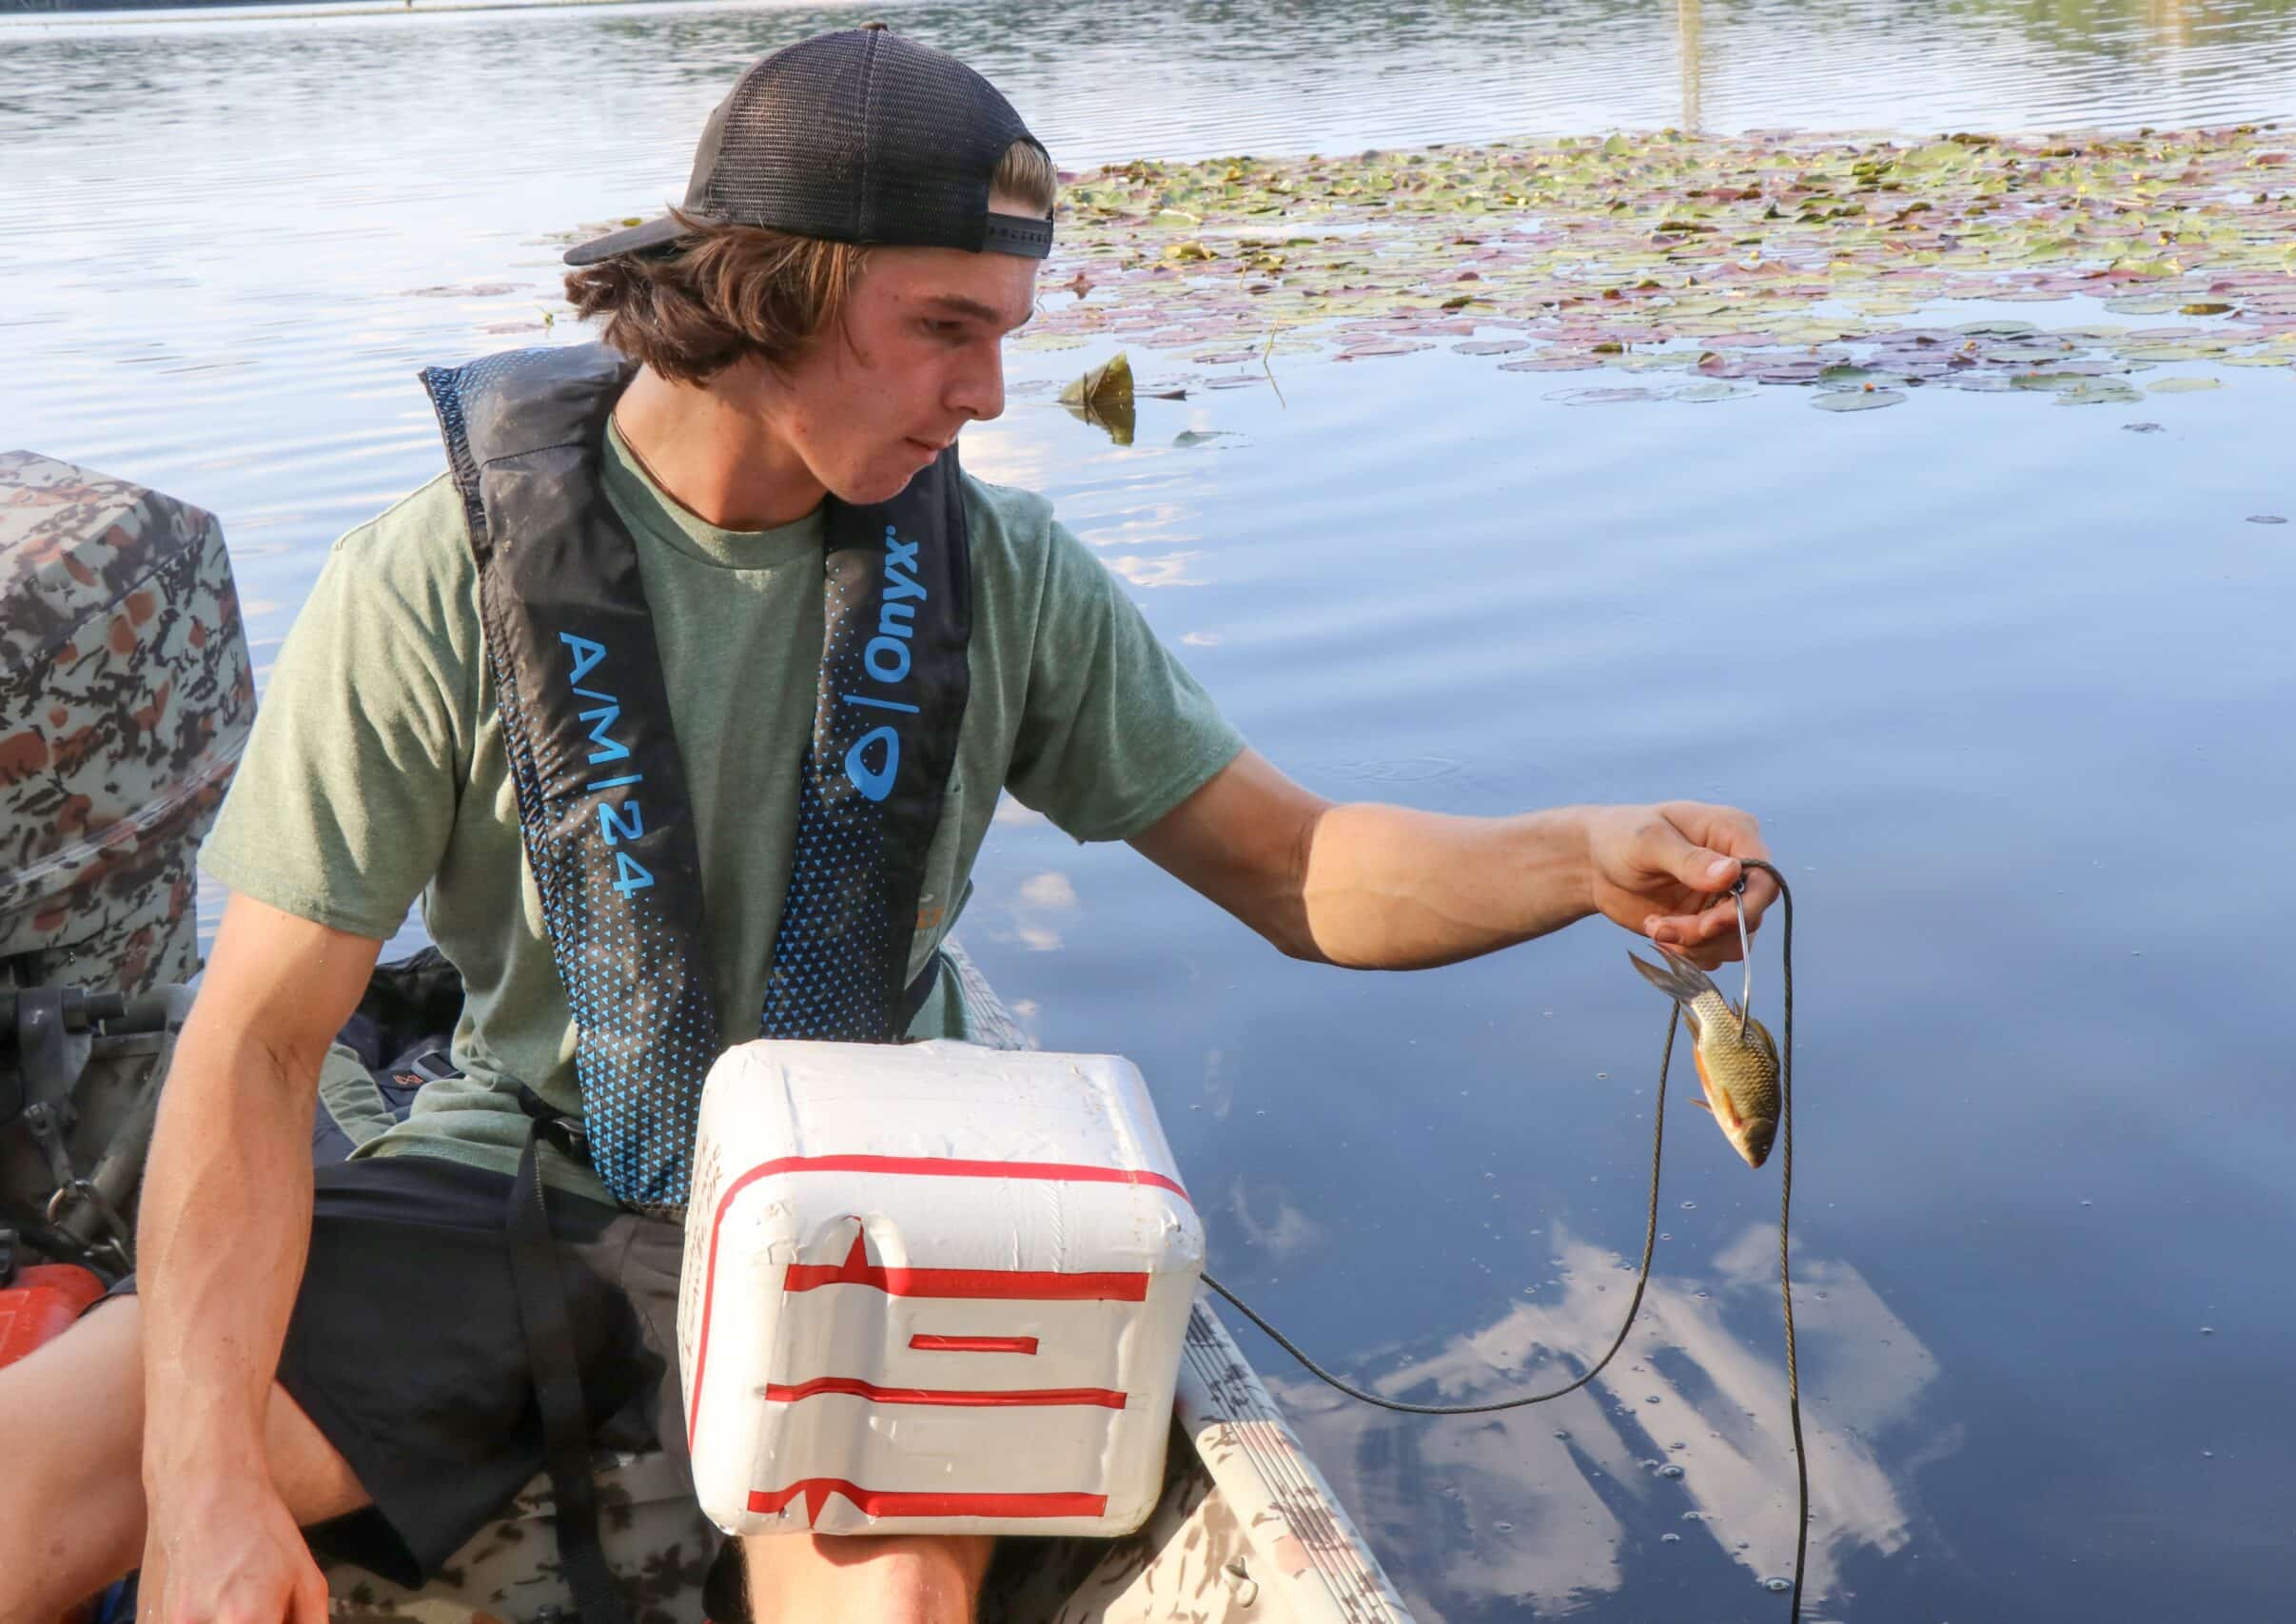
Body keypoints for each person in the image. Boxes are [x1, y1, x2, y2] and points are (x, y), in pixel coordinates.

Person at [0, 25, 1776, 1624]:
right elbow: (254, 1050)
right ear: (767, 287)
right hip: (524, 1170)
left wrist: (1572, 855)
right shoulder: (434, 581)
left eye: (1006, 337)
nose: (993, 396)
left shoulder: (1003, 576)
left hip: (873, 1199)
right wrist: (207, 1477)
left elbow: (1295, 869)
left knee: (901, 1607)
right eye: (946, 330)